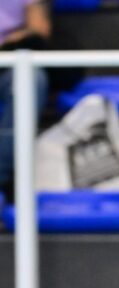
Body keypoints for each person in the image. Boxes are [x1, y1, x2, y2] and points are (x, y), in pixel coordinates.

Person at [0, 0, 52, 203]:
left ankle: (2, 178)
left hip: (8, 62)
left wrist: (9, 43)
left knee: (31, 79)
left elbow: (39, 29)